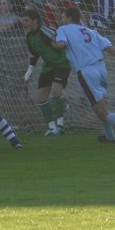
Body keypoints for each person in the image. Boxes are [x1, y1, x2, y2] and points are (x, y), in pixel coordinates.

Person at [53, 6, 115, 144]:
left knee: (101, 111)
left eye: (63, 16)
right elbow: (110, 48)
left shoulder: (63, 29)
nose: (61, 19)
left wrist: (53, 44)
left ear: (69, 18)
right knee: (99, 105)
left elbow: (61, 44)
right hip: (101, 69)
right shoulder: (90, 31)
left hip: (86, 72)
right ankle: (110, 137)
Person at [21, 8, 71, 136]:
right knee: (41, 97)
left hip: (61, 63)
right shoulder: (29, 37)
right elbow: (34, 54)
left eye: (26, 20)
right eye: (23, 21)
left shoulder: (45, 31)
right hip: (48, 66)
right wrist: (30, 69)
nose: (24, 23)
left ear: (35, 21)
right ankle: (51, 128)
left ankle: (60, 125)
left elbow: (59, 42)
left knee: (55, 91)